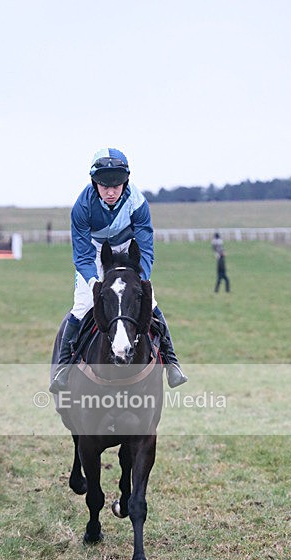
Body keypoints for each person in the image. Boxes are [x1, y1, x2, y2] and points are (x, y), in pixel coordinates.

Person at [49, 148, 187, 392]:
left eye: (117, 185)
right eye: (104, 186)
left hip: (126, 250)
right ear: (95, 184)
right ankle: (63, 366)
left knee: (150, 302)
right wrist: (94, 284)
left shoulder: (138, 203)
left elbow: (145, 247)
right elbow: (82, 256)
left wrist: (141, 280)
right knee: (81, 306)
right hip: (94, 253)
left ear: (126, 182)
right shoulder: (81, 207)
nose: (111, 192)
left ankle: (172, 362)